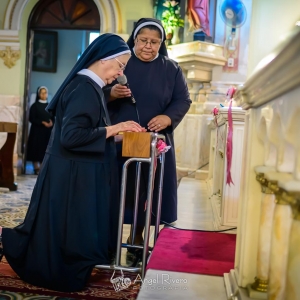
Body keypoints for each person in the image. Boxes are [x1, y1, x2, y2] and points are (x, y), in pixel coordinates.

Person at [0, 34, 145, 292]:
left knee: (65, 233)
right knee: (63, 235)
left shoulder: (89, 87)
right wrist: (115, 128)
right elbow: (72, 137)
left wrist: (118, 135)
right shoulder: (84, 88)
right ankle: (56, 270)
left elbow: (87, 131)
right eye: (120, 66)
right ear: (103, 60)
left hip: (73, 172)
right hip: (71, 176)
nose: (120, 74)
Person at [104, 18, 191, 251]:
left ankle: (137, 237)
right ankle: (107, 239)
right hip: (119, 137)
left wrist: (168, 118)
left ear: (161, 43)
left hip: (154, 140)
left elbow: (183, 99)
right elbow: (99, 90)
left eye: (155, 42)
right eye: (143, 40)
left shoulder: (171, 69)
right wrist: (112, 93)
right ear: (134, 39)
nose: (148, 46)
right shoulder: (121, 63)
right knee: (115, 187)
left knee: (146, 190)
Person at [27, 86, 54, 175]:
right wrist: (42, 122)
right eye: (42, 93)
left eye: (45, 93)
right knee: (35, 148)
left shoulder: (50, 105)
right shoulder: (34, 106)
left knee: (45, 149)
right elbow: (31, 118)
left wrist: (51, 123)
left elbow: (53, 117)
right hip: (37, 131)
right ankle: (36, 167)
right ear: (39, 94)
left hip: (47, 132)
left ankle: (42, 167)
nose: (43, 95)